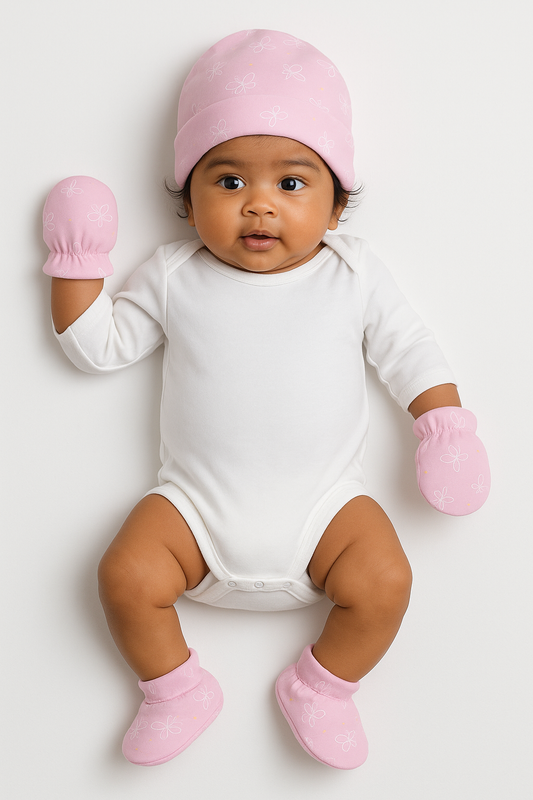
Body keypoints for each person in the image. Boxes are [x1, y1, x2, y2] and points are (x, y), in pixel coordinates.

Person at [42, 29, 490, 770]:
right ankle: (173, 687)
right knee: (123, 575)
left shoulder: (352, 274)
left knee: (384, 581)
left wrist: (442, 424)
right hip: (193, 507)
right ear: (185, 201)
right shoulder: (173, 273)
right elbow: (100, 347)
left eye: (290, 183)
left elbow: (408, 349)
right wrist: (76, 264)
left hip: (324, 510)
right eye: (227, 183)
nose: (258, 207)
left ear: (337, 203)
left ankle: (322, 687)